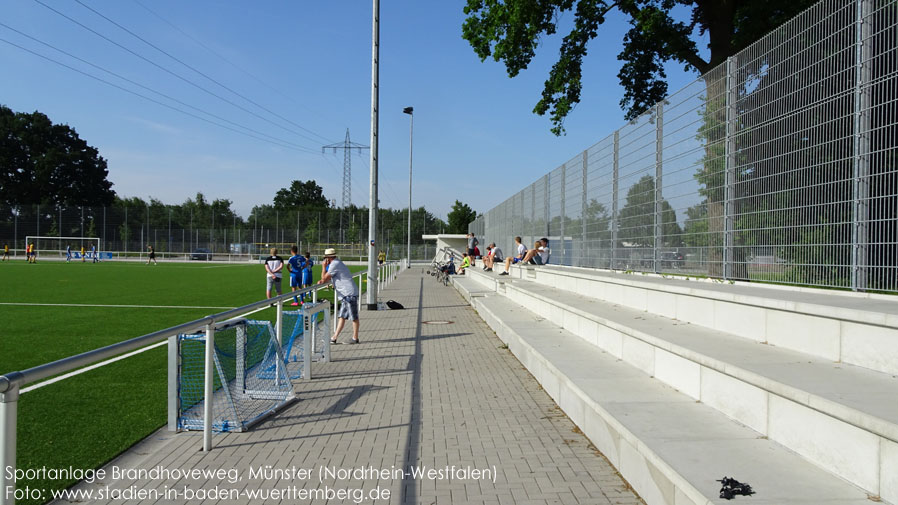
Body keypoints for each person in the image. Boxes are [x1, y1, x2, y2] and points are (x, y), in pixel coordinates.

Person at [318, 248, 360, 344]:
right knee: (341, 316)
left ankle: (355, 338)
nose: (325, 261)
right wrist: (323, 280)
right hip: (346, 294)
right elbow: (328, 278)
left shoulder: (334, 264)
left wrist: (324, 267)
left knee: (354, 317)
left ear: (328, 258)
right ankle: (334, 338)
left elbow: (324, 278)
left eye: (325, 258)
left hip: (349, 294)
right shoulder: (336, 263)